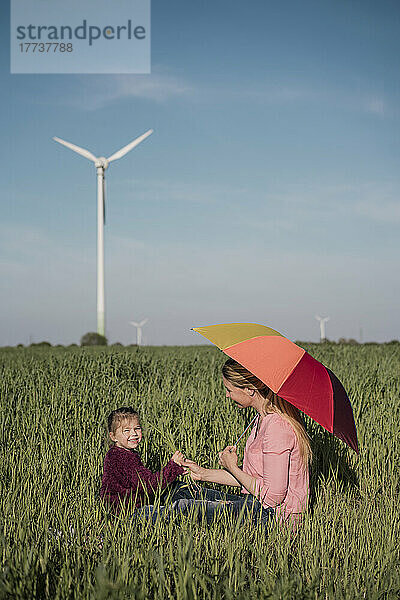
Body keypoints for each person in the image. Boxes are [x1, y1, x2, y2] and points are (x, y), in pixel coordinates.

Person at [184, 358, 312, 528]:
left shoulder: (277, 428)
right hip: (257, 504)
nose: (227, 395)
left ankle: (136, 518)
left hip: (275, 517)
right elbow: (253, 481)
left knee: (183, 508)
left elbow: (273, 497)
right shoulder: (261, 418)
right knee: (184, 491)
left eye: (229, 390)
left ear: (249, 390)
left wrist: (233, 468)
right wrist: (202, 474)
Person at [100, 406, 187, 515]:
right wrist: (173, 466)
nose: (134, 433)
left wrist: (177, 470)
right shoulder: (120, 457)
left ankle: (213, 500)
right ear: (113, 437)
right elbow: (150, 485)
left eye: (137, 428)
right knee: (183, 508)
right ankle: (213, 507)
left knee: (177, 488)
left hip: (135, 506)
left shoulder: (122, 453)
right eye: (126, 430)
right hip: (129, 513)